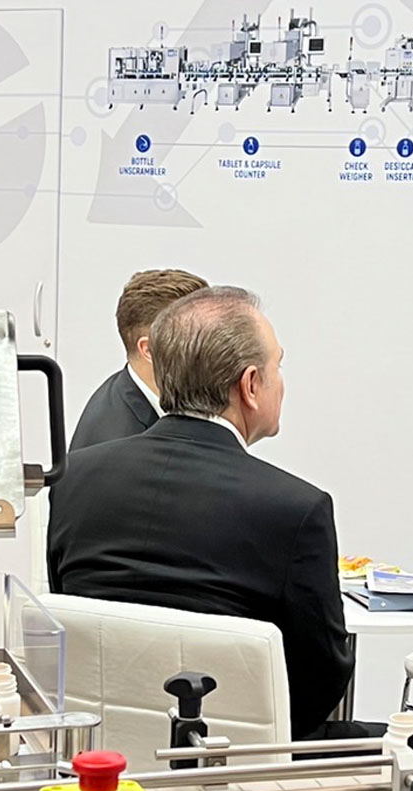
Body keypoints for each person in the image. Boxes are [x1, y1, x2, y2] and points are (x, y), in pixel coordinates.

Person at [48, 286, 365, 741]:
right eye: (278, 366)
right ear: (250, 385)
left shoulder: (73, 477)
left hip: (98, 749)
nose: (281, 382)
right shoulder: (295, 509)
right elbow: (321, 681)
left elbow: (69, 615)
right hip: (238, 758)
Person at [68, 268, 208, 451]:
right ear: (149, 350)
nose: (213, 347)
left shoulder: (130, 391)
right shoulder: (126, 444)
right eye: (198, 337)